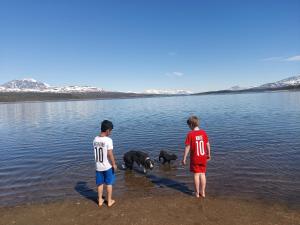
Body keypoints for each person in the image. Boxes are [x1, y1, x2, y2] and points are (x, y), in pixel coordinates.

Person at [182, 116, 211, 198]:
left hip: (195, 158)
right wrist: (209, 154)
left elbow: (187, 147)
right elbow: (208, 144)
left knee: (196, 175)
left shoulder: (190, 134)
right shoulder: (203, 133)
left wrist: (184, 158)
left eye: (188, 126)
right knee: (203, 174)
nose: (189, 127)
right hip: (203, 157)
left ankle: (197, 193)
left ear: (191, 125)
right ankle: (203, 192)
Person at [93, 120, 117, 207]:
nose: (111, 132)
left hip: (98, 166)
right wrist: (114, 164)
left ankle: (100, 200)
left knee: (99, 183)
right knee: (109, 183)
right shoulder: (108, 140)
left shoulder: (95, 139)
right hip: (107, 166)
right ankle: (109, 201)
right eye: (111, 131)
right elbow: (109, 154)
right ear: (107, 130)